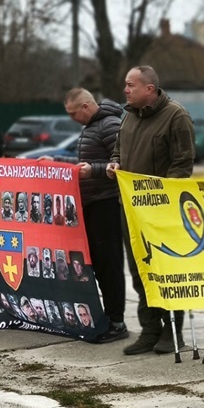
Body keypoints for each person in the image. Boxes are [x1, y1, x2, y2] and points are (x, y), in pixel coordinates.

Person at [107, 65, 195, 355]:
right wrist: (115, 163)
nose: (125, 89)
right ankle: (150, 330)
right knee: (139, 272)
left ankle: (173, 333)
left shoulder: (176, 116)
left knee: (165, 271)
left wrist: (163, 199)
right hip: (129, 209)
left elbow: (182, 164)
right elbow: (118, 150)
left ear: (150, 89)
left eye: (130, 85)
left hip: (161, 212)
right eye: (125, 85)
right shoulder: (128, 117)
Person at [59, 87, 128, 343]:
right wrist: (54, 161)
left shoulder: (109, 125)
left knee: (109, 265)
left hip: (106, 204)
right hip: (91, 204)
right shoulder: (90, 128)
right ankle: (108, 317)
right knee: (98, 264)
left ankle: (117, 322)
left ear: (86, 107)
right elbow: (82, 165)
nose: (71, 118)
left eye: (72, 113)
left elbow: (122, 163)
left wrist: (96, 171)